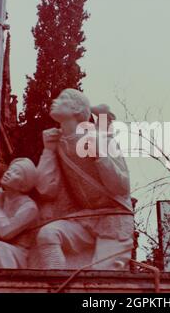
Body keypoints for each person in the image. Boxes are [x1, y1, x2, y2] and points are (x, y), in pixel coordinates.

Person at [30, 89, 134, 270]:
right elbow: (46, 190)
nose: (54, 100)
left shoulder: (102, 139)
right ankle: (56, 285)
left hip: (113, 221)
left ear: (77, 109)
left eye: (63, 98)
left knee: (101, 279)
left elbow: (121, 187)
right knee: (47, 235)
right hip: (83, 218)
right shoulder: (58, 143)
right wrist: (48, 150)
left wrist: (100, 157)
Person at [0, 158, 39, 269]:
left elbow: (6, 232)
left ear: (24, 185)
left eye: (16, 173)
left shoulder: (29, 207)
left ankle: (5, 284)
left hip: (16, 254)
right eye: (10, 170)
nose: (8, 173)